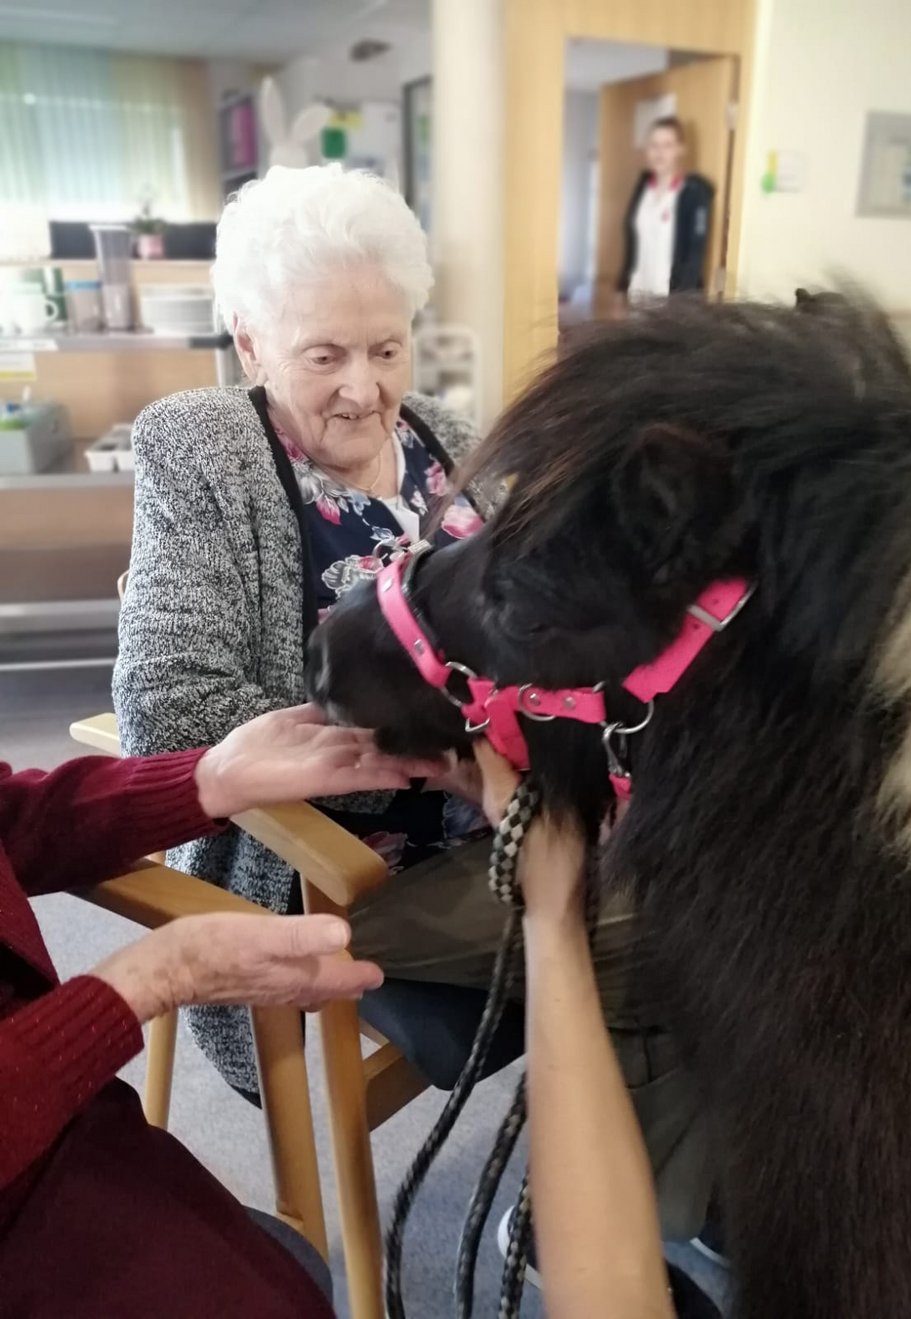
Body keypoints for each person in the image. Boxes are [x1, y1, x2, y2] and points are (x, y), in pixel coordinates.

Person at [114, 164, 712, 1244]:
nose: (363, 387)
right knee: (698, 916)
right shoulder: (203, 450)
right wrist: (421, 745)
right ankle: (605, 1240)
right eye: (323, 355)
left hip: (516, 811)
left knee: (727, 847)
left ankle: (641, 1209)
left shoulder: (447, 433)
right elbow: (169, 704)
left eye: (385, 348)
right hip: (345, 866)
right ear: (250, 344)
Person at [0, 704, 445, 1318]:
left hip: (61, 1121)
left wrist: (205, 779)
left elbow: (11, 819)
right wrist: (142, 985)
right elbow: (167, 697)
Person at [475, 742, 722, 1319]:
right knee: (682, 921)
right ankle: (634, 1209)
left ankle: (683, 1189)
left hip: (520, 801)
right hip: (399, 855)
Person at [615, 116, 714, 311]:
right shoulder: (643, 188)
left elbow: (694, 255)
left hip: (672, 303)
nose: (659, 152)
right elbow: (632, 240)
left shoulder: (694, 194)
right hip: (638, 295)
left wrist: (681, 307)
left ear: (680, 149)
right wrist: (622, 286)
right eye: (653, 145)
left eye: (667, 145)